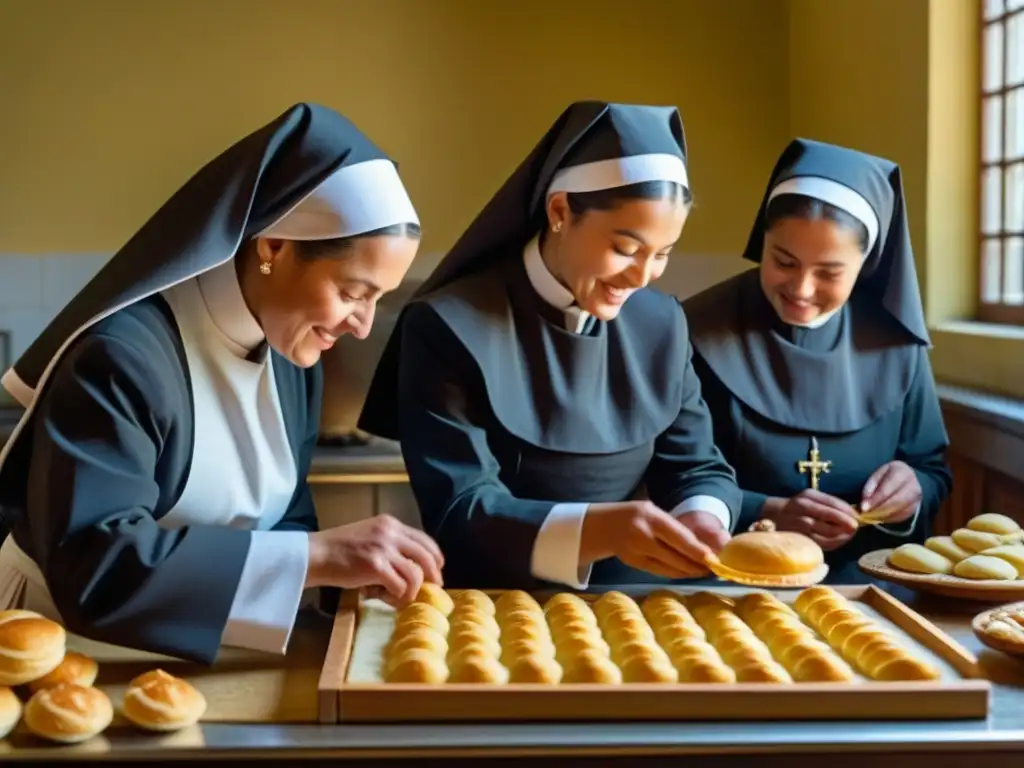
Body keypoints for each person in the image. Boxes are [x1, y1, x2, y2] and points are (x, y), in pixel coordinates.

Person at [0, 103, 444, 664]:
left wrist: (342, 575)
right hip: (60, 649)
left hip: (202, 654)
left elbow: (285, 514)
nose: (362, 325)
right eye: (353, 293)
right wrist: (316, 557)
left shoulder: (293, 355)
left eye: (379, 298)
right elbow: (97, 566)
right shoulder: (122, 357)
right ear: (274, 246)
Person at [359, 101, 742, 591]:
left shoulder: (662, 321)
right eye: (625, 249)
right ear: (560, 210)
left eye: (662, 254)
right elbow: (459, 505)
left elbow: (697, 465)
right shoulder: (448, 324)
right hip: (496, 604)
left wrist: (703, 515)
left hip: (646, 601)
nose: (642, 277)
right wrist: (595, 531)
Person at [682, 138, 952, 584]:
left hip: (868, 590)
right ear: (763, 242)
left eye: (829, 272)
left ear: (865, 263)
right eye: (783, 261)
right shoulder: (693, 329)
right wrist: (766, 512)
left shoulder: (897, 344)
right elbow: (668, 476)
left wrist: (913, 490)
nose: (802, 289)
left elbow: (931, 470)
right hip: (725, 586)